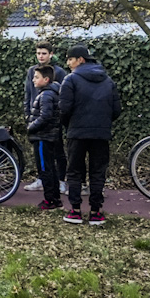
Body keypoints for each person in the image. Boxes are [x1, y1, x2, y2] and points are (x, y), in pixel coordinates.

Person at [55, 44, 122, 225]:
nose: (68, 63)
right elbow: (116, 110)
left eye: (70, 59)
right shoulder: (108, 80)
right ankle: (96, 212)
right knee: (97, 172)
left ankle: (75, 211)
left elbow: (64, 109)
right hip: (101, 134)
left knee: (75, 171)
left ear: (80, 60)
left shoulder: (70, 80)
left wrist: (69, 125)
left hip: (76, 132)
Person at [25, 65, 63, 211]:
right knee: (51, 167)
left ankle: (49, 200)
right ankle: (56, 198)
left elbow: (45, 116)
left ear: (46, 79)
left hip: (43, 137)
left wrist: (31, 127)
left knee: (45, 169)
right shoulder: (50, 93)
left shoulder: (46, 95)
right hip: (48, 136)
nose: (33, 80)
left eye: (36, 77)